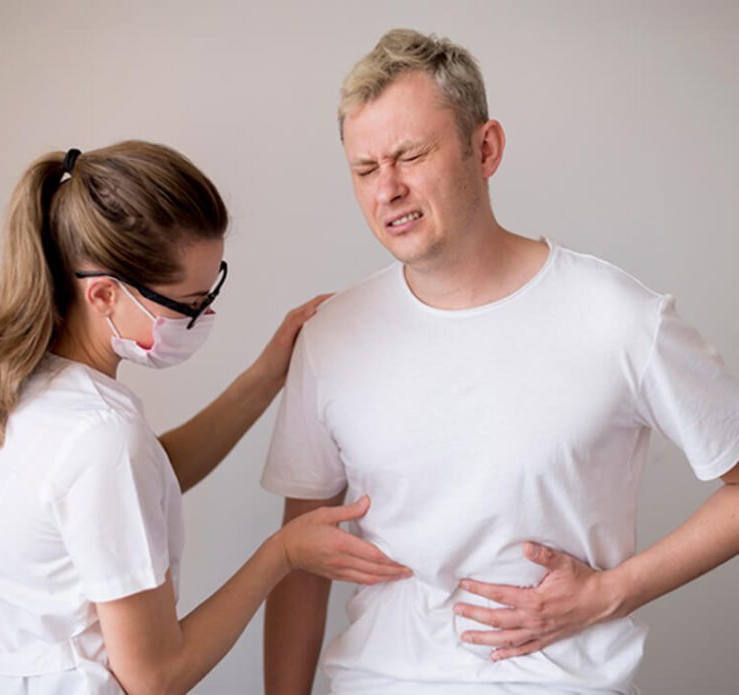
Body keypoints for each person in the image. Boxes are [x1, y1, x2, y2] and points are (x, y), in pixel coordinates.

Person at [261, 29, 739, 695]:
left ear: (485, 150)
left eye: (410, 156)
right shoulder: (332, 335)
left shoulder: (618, 317)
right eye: (365, 169)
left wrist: (613, 592)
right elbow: (303, 558)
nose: (387, 189)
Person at [0, 141, 412, 695]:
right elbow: (155, 678)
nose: (204, 316)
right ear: (105, 294)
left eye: (211, 291)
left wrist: (263, 377)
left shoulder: (11, 392)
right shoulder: (99, 438)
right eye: (188, 304)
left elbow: (139, 485)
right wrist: (282, 553)